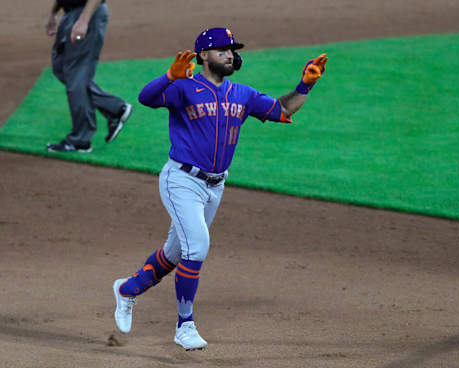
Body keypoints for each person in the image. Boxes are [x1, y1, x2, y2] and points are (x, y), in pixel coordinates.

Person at [112, 27, 327, 350]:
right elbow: (147, 98)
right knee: (197, 246)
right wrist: (169, 77)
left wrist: (305, 85)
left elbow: (282, 110)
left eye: (231, 49)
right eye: (222, 49)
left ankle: (127, 290)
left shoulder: (242, 94)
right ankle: (185, 326)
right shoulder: (183, 88)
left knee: (174, 254)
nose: (229, 54)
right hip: (181, 180)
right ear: (203, 56)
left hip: (215, 186)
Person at [45, 0, 132, 153]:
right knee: (61, 69)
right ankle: (114, 108)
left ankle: (81, 138)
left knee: (76, 73)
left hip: (86, 14)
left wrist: (83, 20)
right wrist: (53, 13)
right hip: (71, 13)